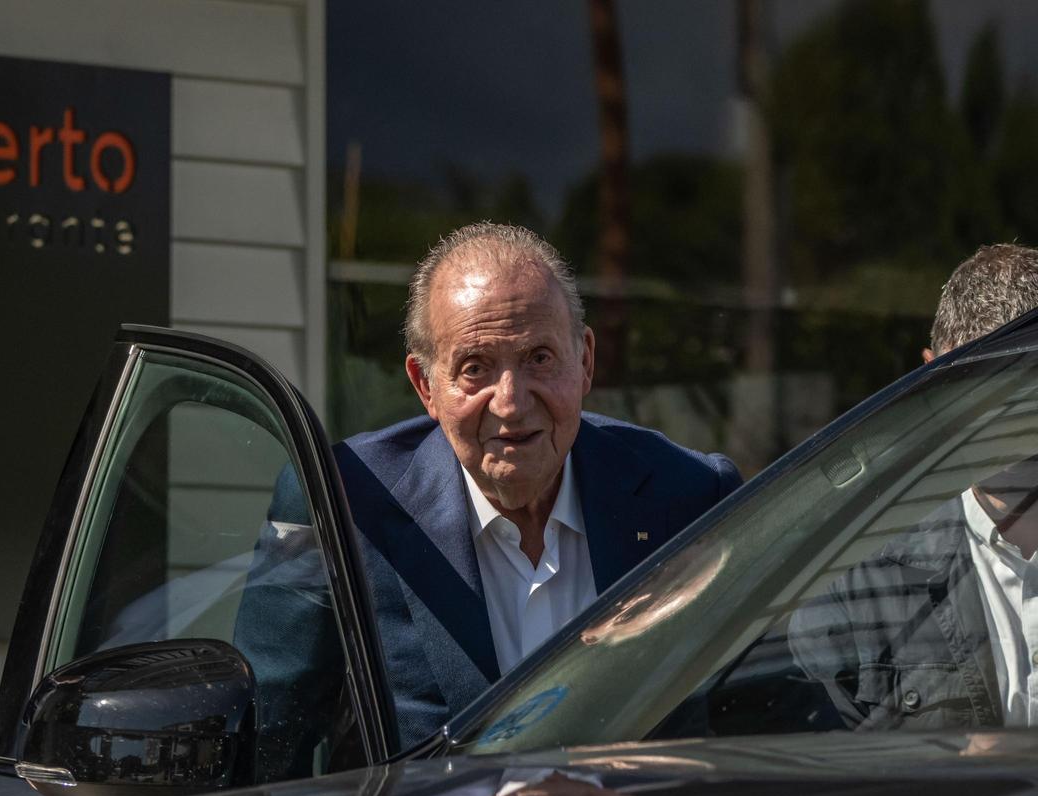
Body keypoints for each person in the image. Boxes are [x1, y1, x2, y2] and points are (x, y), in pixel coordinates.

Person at [335, 222, 742, 748]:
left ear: (586, 362)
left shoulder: (689, 496)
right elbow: (278, 733)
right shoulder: (350, 500)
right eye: (475, 367)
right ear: (425, 386)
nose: (511, 402)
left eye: (539, 359)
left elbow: (759, 716)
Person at [789, 243, 1038, 731]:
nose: (1001, 425)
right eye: (975, 392)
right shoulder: (853, 584)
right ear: (928, 380)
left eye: (1027, 388)